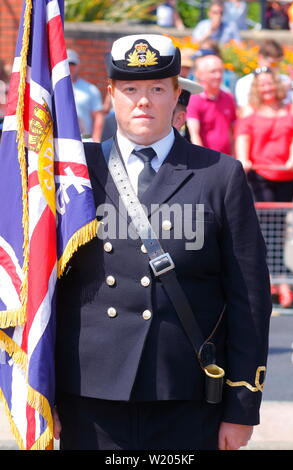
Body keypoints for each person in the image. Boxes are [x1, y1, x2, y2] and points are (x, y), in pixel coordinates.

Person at [54, 34, 272, 451]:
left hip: (186, 393)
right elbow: (49, 288)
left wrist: (241, 406)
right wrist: (43, 395)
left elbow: (249, 298)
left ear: (176, 95)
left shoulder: (219, 174)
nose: (143, 101)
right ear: (111, 95)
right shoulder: (76, 174)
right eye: (131, 89)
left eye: (157, 89)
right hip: (90, 395)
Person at [235, 67, 293, 307]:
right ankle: (277, 283)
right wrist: (244, 159)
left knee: (279, 227)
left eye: (270, 84)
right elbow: (243, 138)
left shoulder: (290, 112)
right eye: (262, 85)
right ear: (256, 89)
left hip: (286, 175)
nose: (267, 88)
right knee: (265, 228)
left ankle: (277, 280)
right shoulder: (250, 115)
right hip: (261, 175)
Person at [186, 53, 236, 154]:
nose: (218, 75)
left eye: (220, 71)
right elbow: (194, 135)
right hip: (207, 160)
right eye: (213, 72)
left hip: (227, 159)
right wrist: (203, 160)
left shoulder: (228, 97)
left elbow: (232, 132)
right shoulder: (194, 99)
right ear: (200, 74)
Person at [234, 39, 293, 110]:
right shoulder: (245, 82)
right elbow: (246, 109)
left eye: (278, 63)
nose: (276, 67)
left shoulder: (284, 78)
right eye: (273, 63)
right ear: (260, 57)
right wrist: (280, 88)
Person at [67, 49, 104, 142]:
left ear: (78, 65)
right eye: (67, 64)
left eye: (72, 64)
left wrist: (96, 140)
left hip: (85, 139)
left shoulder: (90, 89)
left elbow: (98, 116)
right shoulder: (54, 89)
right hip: (62, 140)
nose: (70, 67)